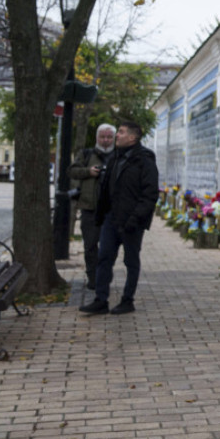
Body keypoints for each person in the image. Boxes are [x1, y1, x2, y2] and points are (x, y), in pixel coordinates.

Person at [79, 121, 159, 316]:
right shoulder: (115, 157)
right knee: (104, 258)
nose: (117, 135)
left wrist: (135, 218)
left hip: (132, 221)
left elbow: (150, 194)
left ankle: (127, 300)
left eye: (121, 132)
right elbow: (107, 189)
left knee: (131, 261)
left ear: (132, 137)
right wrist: (102, 214)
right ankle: (101, 300)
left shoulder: (144, 159)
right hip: (111, 219)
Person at [68, 123, 116, 290]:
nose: (105, 140)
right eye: (102, 137)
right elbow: (72, 171)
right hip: (89, 208)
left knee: (108, 247)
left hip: (111, 210)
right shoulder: (86, 154)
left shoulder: (119, 156)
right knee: (90, 246)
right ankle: (93, 278)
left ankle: (105, 276)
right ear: (97, 137)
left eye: (109, 137)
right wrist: (89, 171)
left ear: (114, 138)